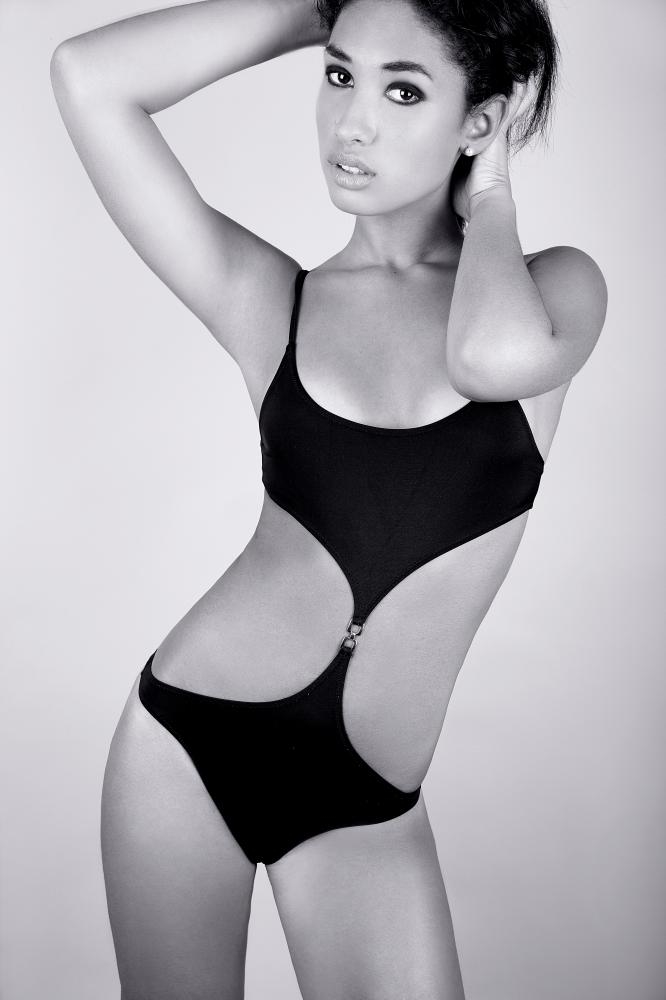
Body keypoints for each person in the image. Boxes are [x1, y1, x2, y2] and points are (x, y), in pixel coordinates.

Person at [50, 0, 608, 996]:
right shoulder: (271, 298)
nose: (353, 122)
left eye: (404, 91)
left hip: (363, 803)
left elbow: (489, 360)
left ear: (481, 120)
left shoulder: (553, 289)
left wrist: (492, 194)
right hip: (188, 746)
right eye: (341, 75)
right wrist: (319, 8)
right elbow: (89, 78)